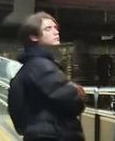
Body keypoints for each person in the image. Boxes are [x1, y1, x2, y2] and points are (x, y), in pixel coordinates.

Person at [8, 12, 86, 141]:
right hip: (56, 134)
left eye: (56, 28)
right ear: (33, 37)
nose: (56, 32)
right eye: (48, 29)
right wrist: (77, 93)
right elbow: (72, 101)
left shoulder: (29, 66)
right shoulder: (41, 66)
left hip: (39, 133)